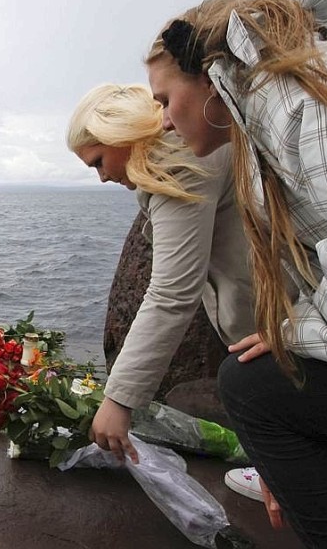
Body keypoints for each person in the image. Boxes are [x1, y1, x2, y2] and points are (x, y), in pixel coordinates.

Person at [145, 0, 327, 546]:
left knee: (253, 387)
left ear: (206, 74)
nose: (162, 120)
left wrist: (299, 333)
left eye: (164, 99)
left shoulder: (298, 109)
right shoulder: (280, 97)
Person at [66, 84, 256, 463]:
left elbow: (173, 293)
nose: (102, 177)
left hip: (276, 322)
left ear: (120, 134)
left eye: (99, 161)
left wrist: (119, 399)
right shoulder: (191, 145)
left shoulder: (175, 161)